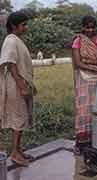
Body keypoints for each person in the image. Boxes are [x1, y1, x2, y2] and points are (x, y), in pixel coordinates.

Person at [0, 11, 37, 166]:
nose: (26, 27)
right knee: (18, 118)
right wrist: (22, 86)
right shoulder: (11, 40)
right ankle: (14, 153)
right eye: (23, 25)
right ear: (14, 26)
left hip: (19, 83)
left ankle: (18, 149)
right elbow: (11, 63)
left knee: (21, 118)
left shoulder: (16, 40)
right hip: (15, 85)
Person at [72, 16, 97, 154]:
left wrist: (86, 60)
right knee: (82, 110)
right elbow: (77, 62)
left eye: (92, 27)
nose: (90, 30)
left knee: (96, 108)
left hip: (96, 79)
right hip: (83, 79)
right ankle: (80, 143)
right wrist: (93, 65)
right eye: (87, 27)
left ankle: (94, 140)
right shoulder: (78, 41)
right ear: (83, 27)